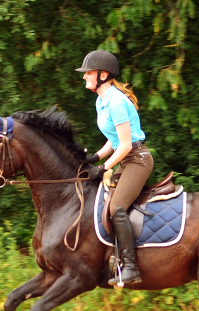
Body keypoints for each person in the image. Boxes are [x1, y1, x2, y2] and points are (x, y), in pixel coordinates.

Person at [76, 49, 154, 285]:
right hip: (126, 157)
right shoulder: (102, 101)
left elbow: (127, 145)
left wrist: (104, 168)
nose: (84, 77)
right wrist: (96, 157)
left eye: (88, 72)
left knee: (117, 207)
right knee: (102, 201)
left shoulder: (117, 102)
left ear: (102, 74)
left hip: (137, 159)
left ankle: (131, 268)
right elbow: (114, 138)